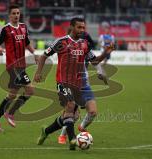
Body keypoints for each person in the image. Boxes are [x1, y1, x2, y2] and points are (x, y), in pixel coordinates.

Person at [34, 17, 114, 150]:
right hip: (63, 82)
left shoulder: (84, 44)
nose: (82, 30)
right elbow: (43, 56)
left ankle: (46, 131)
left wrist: (105, 53)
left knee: (72, 116)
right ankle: (72, 139)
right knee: (70, 106)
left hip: (79, 84)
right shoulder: (62, 42)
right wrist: (38, 73)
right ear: (72, 27)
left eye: (83, 27)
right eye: (79, 27)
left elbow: (94, 61)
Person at [0, 4, 37, 132]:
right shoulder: (5, 29)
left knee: (12, 95)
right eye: (14, 13)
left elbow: (27, 43)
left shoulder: (23, 27)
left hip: (21, 66)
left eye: (18, 13)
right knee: (30, 90)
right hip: (13, 66)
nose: (16, 15)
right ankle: (10, 113)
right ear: (9, 15)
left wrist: (35, 54)